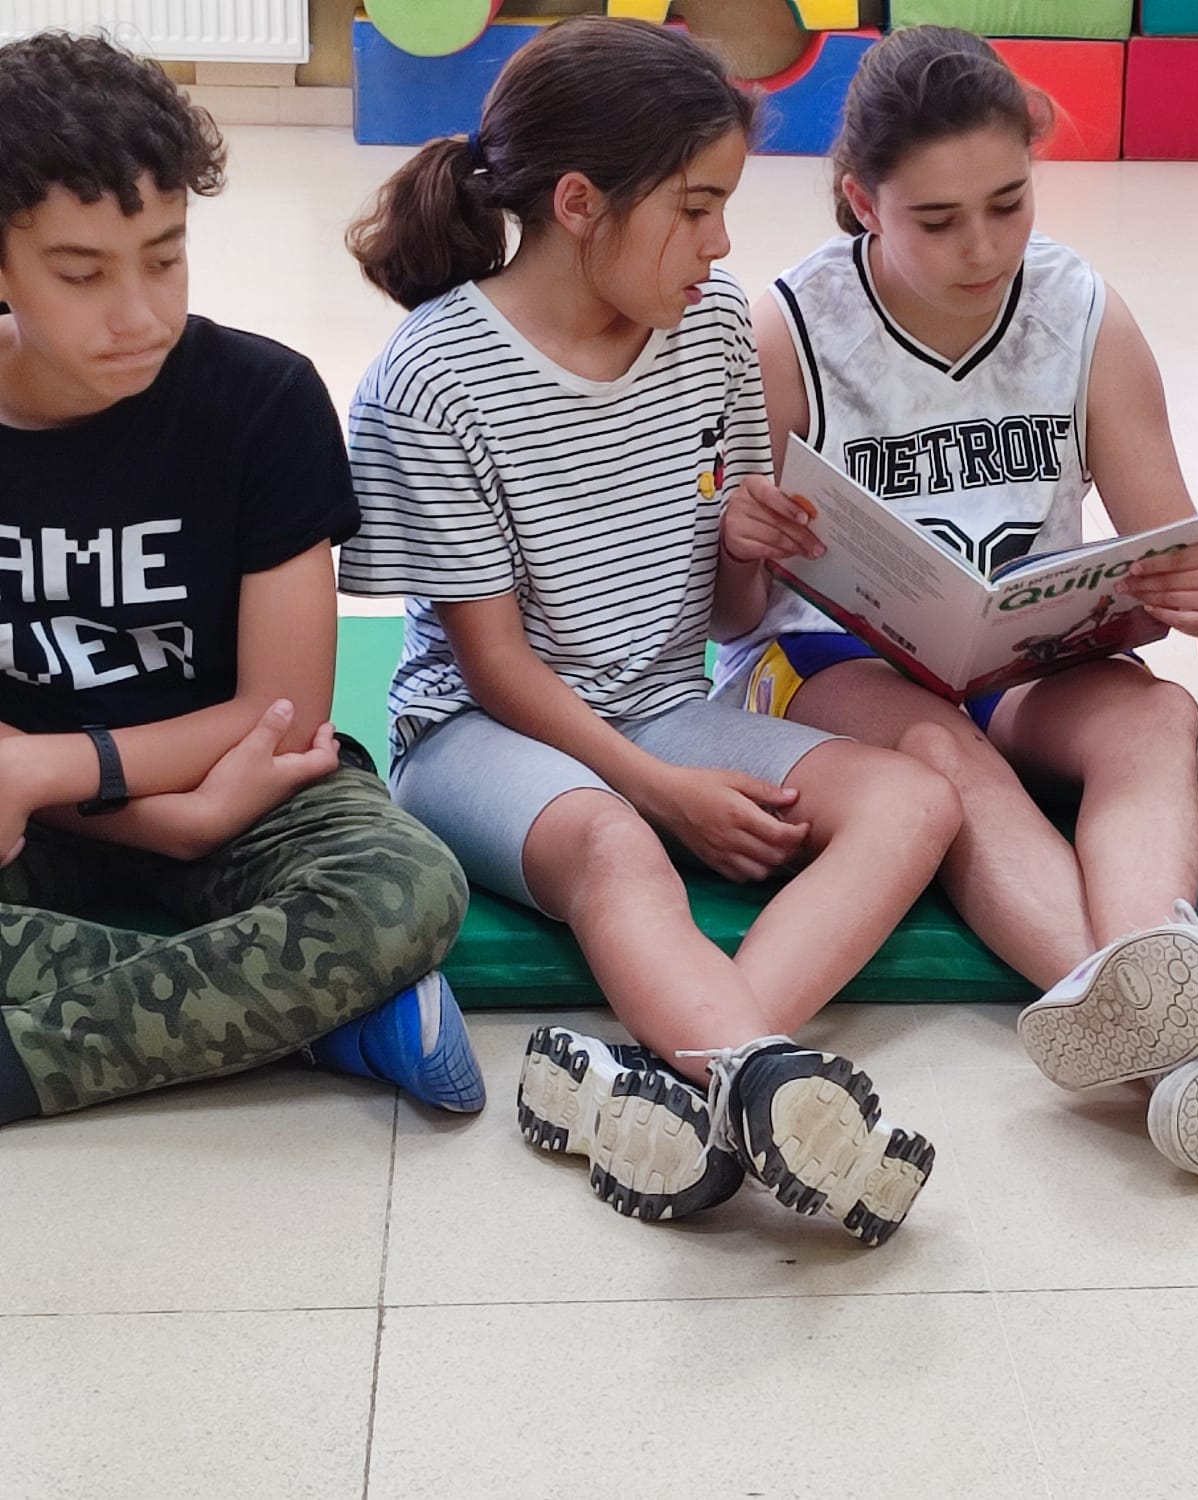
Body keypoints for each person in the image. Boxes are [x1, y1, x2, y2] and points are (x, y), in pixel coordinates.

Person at [340, 18, 959, 1243]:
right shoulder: (431, 380)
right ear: (578, 203)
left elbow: (729, 623)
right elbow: (493, 668)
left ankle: (697, 1088)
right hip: (475, 735)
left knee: (914, 803)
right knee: (614, 844)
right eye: (695, 206)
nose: (721, 242)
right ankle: (755, 1078)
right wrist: (661, 789)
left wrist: (744, 544)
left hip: (670, 701)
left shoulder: (712, 325)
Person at [720, 24, 1198, 1182]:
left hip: (1020, 655)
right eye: (938, 220)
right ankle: (1181, 1045)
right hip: (827, 663)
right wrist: (742, 543)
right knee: (938, 753)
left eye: (1009, 203)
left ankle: (1154, 985)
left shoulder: (1080, 309)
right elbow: (726, 618)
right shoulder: (785, 329)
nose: (985, 246)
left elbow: (1181, 552)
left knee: (1154, 716)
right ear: (862, 202)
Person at [0, 33, 479, 1131]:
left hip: (248, 785)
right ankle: (317, 1018)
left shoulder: (262, 399)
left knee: (404, 889)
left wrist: (52, 766)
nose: (139, 314)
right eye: (81, 274)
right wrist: (146, 822)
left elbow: (284, 711)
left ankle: (26, 1062)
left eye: (165, 257)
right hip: (35, 810)